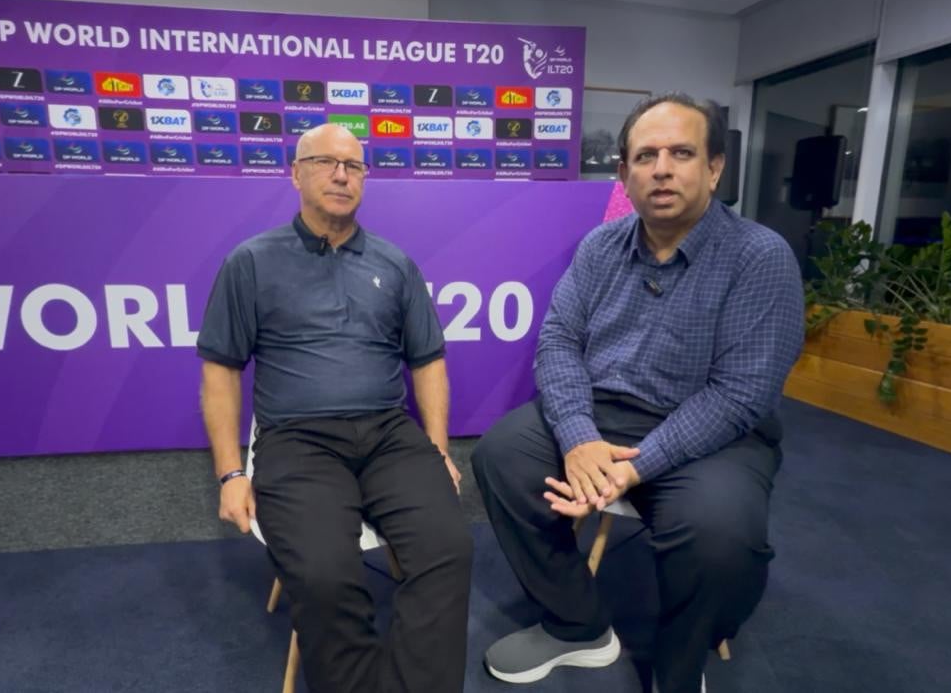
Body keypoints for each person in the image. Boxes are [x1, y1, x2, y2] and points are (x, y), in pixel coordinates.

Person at [472, 93, 804, 693]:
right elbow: (559, 342)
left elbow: (739, 395)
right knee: (501, 456)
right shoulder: (600, 247)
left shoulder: (760, 257)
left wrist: (634, 468)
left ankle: (680, 667)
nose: (662, 169)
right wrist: (579, 438)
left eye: (682, 153)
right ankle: (576, 625)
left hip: (715, 432)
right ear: (624, 174)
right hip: (603, 414)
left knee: (721, 537)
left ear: (715, 168)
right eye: (646, 156)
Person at [196, 123, 472, 693]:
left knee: (449, 549)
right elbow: (220, 370)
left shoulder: (395, 264)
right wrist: (229, 473)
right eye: (325, 162)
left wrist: (438, 448)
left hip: (389, 436)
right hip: (298, 441)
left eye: (354, 166)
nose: (341, 175)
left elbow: (428, 361)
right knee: (325, 573)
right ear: (296, 174)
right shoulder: (251, 262)